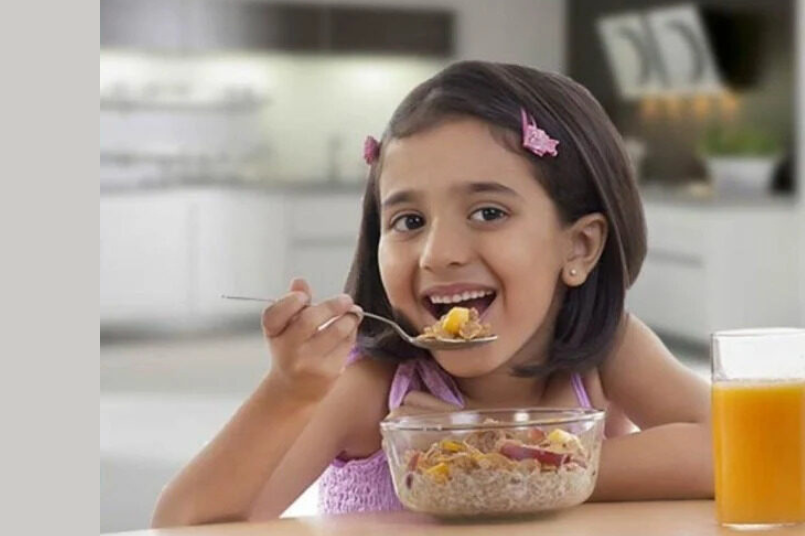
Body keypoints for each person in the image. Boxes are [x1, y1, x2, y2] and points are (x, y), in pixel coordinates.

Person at [152, 61, 713, 527]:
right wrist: (288, 393)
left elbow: (740, 450)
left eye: (488, 212)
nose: (437, 253)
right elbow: (189, 525)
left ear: (580, 248)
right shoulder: (371, 389)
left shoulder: (604, 349)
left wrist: (500, 459)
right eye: (409, 220)